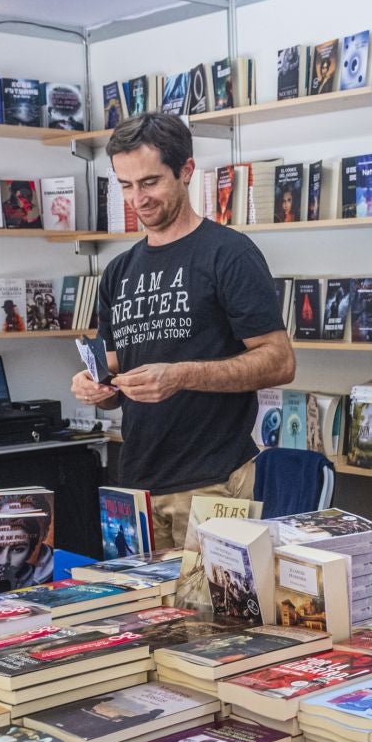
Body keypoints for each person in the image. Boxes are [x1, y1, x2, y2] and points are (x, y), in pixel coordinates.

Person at [71, 113, 295, 550]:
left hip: (214, 484)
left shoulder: (229, 254)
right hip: (136, 487)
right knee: (139, 618)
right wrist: (94, 385)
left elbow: (280, 360)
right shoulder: (118, 272)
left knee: (214, 618)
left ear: (186, 171)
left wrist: (179, 376)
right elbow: (113, 368)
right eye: (125, 185)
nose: (138, 198)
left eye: (151, 182)